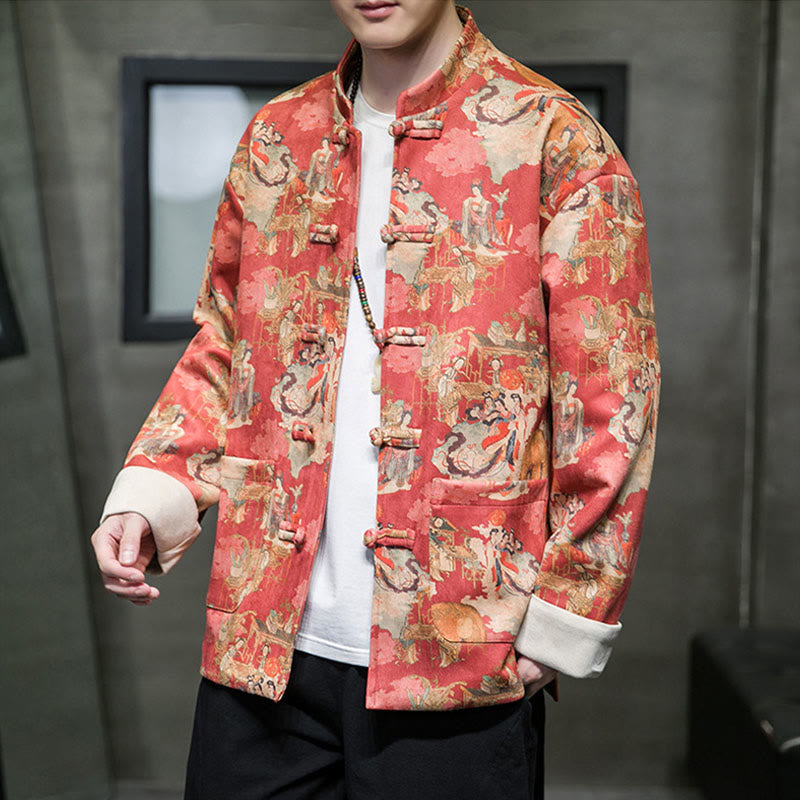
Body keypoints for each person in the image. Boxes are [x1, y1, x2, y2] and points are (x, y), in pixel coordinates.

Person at [92, 2, 659, 797]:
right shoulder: (278, 136)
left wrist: (568, 609)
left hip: (459, 656)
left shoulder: (554, 139)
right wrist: (154, 489)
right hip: (264, 647)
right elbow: (227, 345)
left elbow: (613, 396)